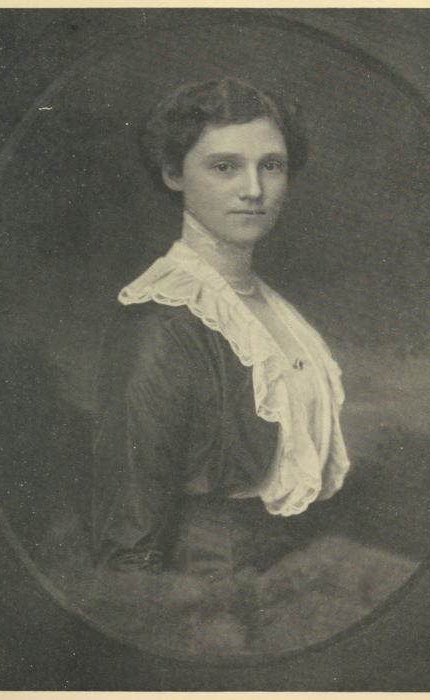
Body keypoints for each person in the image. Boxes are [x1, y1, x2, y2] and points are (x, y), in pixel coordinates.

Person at [91, 78, 350, 578]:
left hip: (292, 571)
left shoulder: (275, 311)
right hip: (211, 589)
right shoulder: (161, 322)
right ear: (174, 174)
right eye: (224, 167)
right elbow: (129, 544)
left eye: (271, 166)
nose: (254, 190)